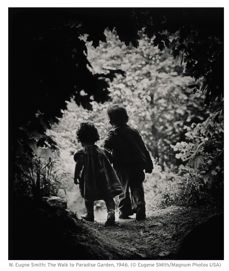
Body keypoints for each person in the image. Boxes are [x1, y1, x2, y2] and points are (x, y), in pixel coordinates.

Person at [104, 105, 153, 221]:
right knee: (137, 187)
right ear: (127, 118)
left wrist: (110, 159)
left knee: (123, 189)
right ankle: (140, 209)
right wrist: (148, 163)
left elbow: (105, 148)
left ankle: (124, 212)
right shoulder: (134, 132)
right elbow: (143, 148)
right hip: (137, 164)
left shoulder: (113, 133)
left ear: (111, 121)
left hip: (121, 166)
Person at [73, 122, 122, 226]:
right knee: (108, 197)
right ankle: (111, 215)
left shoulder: (82, 152)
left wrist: (76, 176)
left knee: (88, 198)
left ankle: (90, 215)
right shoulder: (101, 151)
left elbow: (79, 165)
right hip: (104, 179)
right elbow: (111, 159)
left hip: (89, 180)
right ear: (95, 137)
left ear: (80, 139)